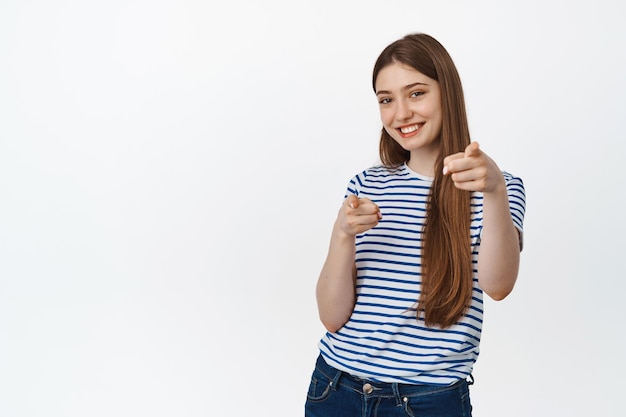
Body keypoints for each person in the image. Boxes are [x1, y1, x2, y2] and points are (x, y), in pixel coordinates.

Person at [304, 33, 526, 417]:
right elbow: (332, 316)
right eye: (386, 100)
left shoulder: (497, 187)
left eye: (417, 93)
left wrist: (494, 192)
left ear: (448, 94)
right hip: (335, 388)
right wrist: (341, 236)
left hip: (427, 402)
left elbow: (499, 285)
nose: (400, 113)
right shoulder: (367, 184)